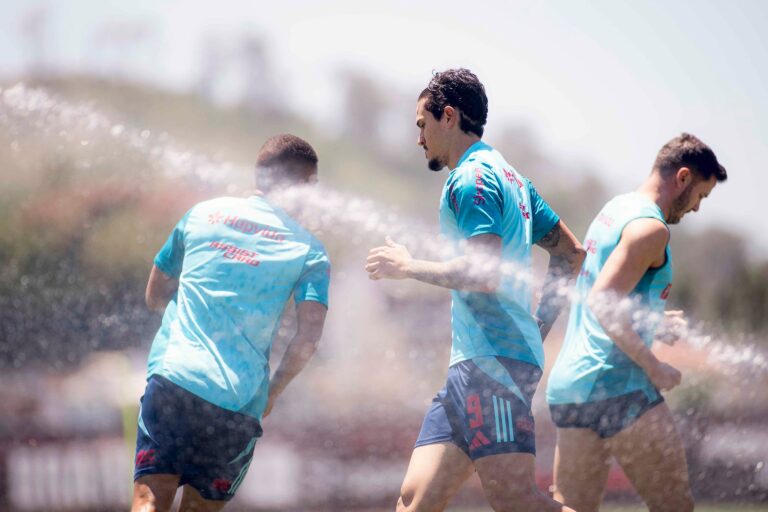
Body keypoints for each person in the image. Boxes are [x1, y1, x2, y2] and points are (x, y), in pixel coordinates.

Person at [365, 68, 584, 512]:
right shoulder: (513, 179)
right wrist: (537, 327)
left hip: (493, 366)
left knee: (517, 502)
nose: (418, 139)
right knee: (414, 502)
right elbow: (571, 254)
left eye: (422, 125)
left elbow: (482, 272)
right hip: (475, 366)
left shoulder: (471, 178)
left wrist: (407, 267)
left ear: (448, 116)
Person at [131, 134, 331, 512]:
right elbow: (308, 338)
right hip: (238, 402)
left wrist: (188, 321)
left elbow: (155, 293)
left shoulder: (201, 214)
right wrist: (274, 391)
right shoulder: (310, 250)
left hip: (175, 378)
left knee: (149, 500)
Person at [546, 133, 728, 512]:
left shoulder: (615, 209)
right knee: (674, 506)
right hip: (618, 387)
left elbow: (606, 290)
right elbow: (603, 302)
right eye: (701, 196)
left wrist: (652, 323)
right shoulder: (652, 229)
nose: (696, 208)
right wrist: (654, 365)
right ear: (682, 178)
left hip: (572, 388)